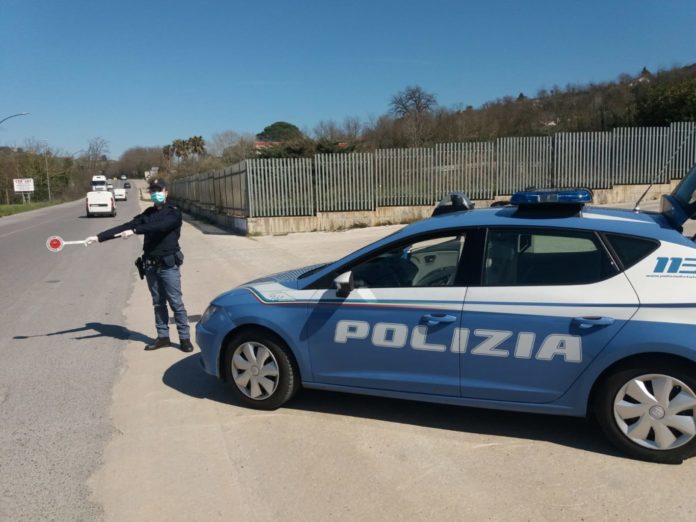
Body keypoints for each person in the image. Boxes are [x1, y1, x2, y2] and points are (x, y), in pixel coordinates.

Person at [85, 179, 194, 352]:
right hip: (151, 266)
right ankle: (163, 337)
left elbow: (160, 226)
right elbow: (127, 226)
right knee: (158, 303)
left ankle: (184, 338)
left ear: (166, 192)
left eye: (159, 190)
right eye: (153, 191)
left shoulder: (173, 213)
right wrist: (99, 237)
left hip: (168, 265)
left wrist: (136, 231)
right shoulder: (148, 214)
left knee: (176, 302)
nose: (155, 193)